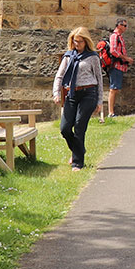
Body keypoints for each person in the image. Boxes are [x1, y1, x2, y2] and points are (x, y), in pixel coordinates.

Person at [52, 27, 104, 170]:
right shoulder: (69, 56)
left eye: (80, 41)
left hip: (89, 93)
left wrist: (100, 102)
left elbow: (99, 79)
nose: (77, 44)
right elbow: (59, 76)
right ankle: (79, 150)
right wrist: (56, 93)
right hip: (72, 94)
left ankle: (77, 162)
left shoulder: (92, 57)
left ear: (86, 41)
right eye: (75, 41)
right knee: (65, 128)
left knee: (79, 126)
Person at [104, 18, 131, 120]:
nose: (125, 28)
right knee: (113, 89)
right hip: (115, 66)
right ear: (119, 25)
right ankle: (111, 113)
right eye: (124, 25)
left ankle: (112, 111)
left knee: (115, 89)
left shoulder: (119, 37)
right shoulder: (115, 36)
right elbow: (113, 51)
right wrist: (126, 58)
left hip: (119, 66)